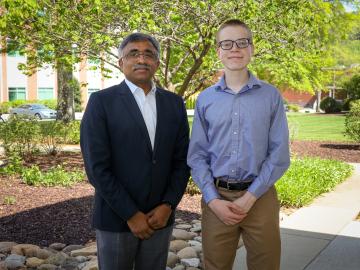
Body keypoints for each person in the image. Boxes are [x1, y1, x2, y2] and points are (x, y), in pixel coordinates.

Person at [80, 32, 190, 270]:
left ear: (157, 63)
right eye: (133, 54)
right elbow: (97, 168)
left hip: (160, 218)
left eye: (148, 54)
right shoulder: (101, 102)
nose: (142, 59)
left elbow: (182, 161)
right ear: (121, 63)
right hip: (116, 218)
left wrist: (168, 205)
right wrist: (131, 214)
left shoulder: (174, 103)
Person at [187, 19, 290, 270]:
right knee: (216, 266)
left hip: (260, 197)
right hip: (217, 199)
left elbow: (279, 154)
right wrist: (212, 199)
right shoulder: (206, 99)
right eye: (227, 43)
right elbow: (197, 155)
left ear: (252, 48)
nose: (235, 48)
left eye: (242, 42)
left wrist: (250, 197)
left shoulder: (270, 95)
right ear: (218, 51)